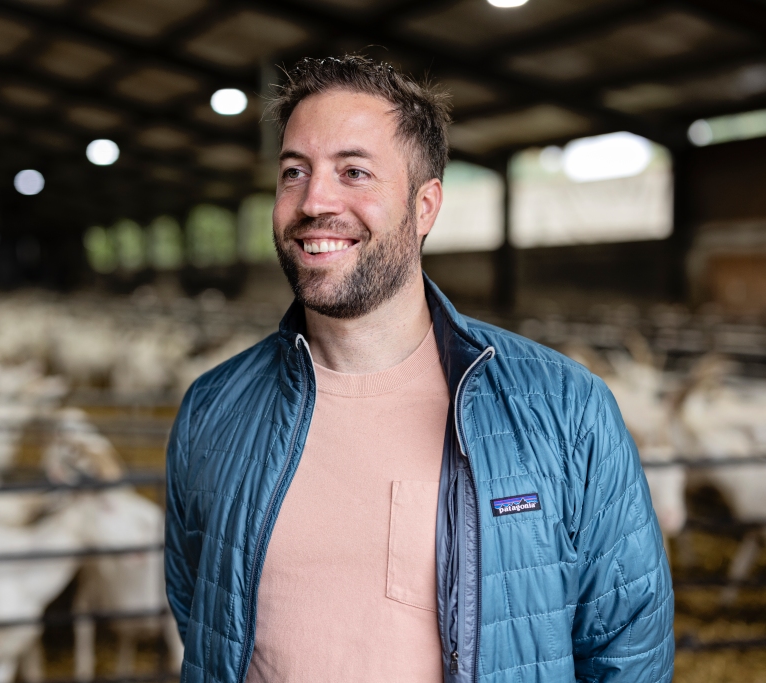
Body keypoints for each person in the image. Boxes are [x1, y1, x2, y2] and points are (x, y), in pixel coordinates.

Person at [164, 55, 673, 683]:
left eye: (354, 172)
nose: (314, 200)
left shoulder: (565, 409)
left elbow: (628, 649)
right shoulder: (213, 408)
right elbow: (202, 615)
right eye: (294, 172)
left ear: (425, 206)